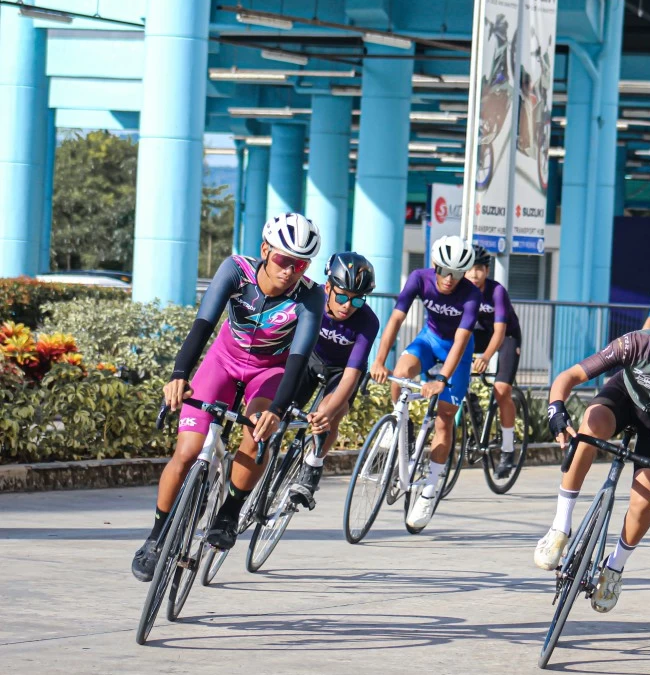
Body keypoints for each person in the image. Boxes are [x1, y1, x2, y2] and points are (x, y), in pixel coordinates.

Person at [131, 213, 324, 581]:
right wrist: (178, 375)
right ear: (265, 250)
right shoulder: (237, 271)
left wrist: (277, 410)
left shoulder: (311, 296)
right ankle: (155, 538)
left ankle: (229, 513)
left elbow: (298, 359)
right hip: (222, 361)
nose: (290, 271)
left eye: (300, 264)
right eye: (283, 259)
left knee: (257, 433)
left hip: (269, 372)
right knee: (187, 452)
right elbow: (203, 324)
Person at [533, 300, 650, 613]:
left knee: (643, 502)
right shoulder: (632, 343)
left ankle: (615, 566)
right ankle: (560, 527)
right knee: (588, 431)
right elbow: (569, 376)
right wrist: (556, 409)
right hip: (623, 399)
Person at [370, 235, 480, 531]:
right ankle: (400, 430)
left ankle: (430, 489)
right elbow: (395, 319)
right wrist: (379, 360)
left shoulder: (471, 295)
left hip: (457, 352)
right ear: (434, 265)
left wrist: (442, 379)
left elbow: (461, 340)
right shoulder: (419, 278)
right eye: (444, 271)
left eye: (457, 273)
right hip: (429, 340)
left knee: (444, 419)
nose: (449, 279)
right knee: (401, 373)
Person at [287, 252, 381, 509]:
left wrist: (325, 415)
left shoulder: (368, 322)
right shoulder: (311, 296)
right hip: (311, 357)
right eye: (341, 296)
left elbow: (351, 375)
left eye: (357, 300)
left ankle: (313, 465)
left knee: (329, 414)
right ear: (327, 287)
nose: (347, 306)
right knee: (283, 402)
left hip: (343, 371)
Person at [466, 246, 523, 478]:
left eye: (479, 269)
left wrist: (485, 357)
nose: (474, 274)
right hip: (480, 334)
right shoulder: (461, 290)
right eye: (470, 269)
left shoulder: (496, 291)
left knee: (501, 390)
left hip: (507, 336)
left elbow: (499, 333)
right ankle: (472, 405)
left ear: (487, 271)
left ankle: (508, 450)